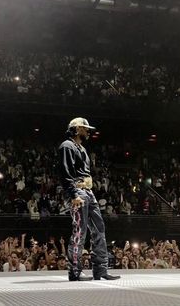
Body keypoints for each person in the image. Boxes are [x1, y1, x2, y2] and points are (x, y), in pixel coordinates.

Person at [58, 117, 120, 281]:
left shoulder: (82, 149)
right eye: (85, 128)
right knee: (79, 231)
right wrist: (73, 194)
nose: (88, 131)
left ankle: (100, 270)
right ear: (77, 129)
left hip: (89, 192)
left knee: (99, 229)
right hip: (78, 192)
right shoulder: (67, 146)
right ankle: (75, 272)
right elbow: (65, 173)